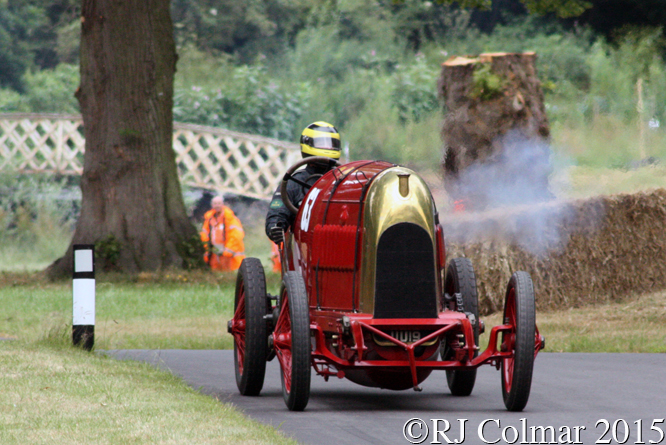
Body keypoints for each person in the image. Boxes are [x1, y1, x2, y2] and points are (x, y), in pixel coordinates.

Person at [265, 121, 341, 244]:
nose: (327, 147)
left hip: (337, 243)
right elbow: (277, 213)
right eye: (322, 144)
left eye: (330, 144)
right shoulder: (292, 183)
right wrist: (275, 227)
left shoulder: (344, 181)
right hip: (303, 248)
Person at [200, 195, 245, 271]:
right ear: (212, 205)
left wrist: (228, 250)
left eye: (219, 203)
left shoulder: (230, 218)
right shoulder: (209, 218)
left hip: (229, 253)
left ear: (223, 204)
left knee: (228, 273)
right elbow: (204, 234)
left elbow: (236, 236)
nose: (217, 206)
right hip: (214, 253)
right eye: (215, 203)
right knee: (215, 273)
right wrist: (206, 248)